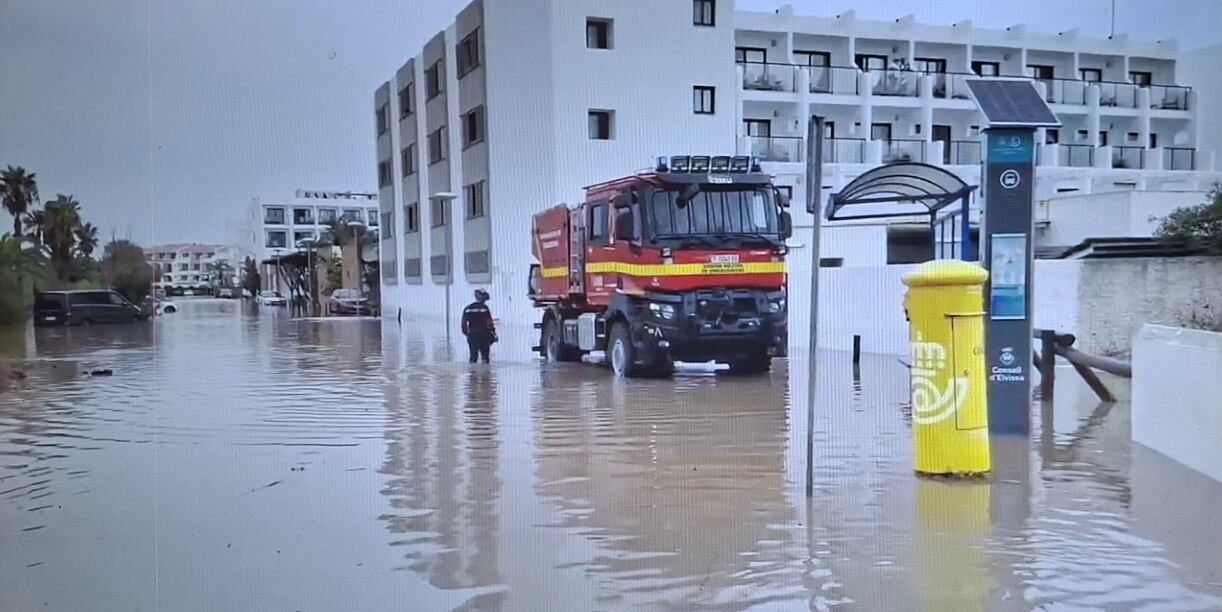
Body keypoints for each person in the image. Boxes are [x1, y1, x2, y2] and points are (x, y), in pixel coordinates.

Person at [461, 289, 497, 364]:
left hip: (472, 334)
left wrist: (467, 333)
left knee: (473, 356)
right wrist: (493, 333)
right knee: (485, 357)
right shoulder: (485, 308)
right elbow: (489, 323)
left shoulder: (468, 308)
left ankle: (472, 374)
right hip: (484, 335)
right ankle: (486, 374)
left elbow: (464, 324)